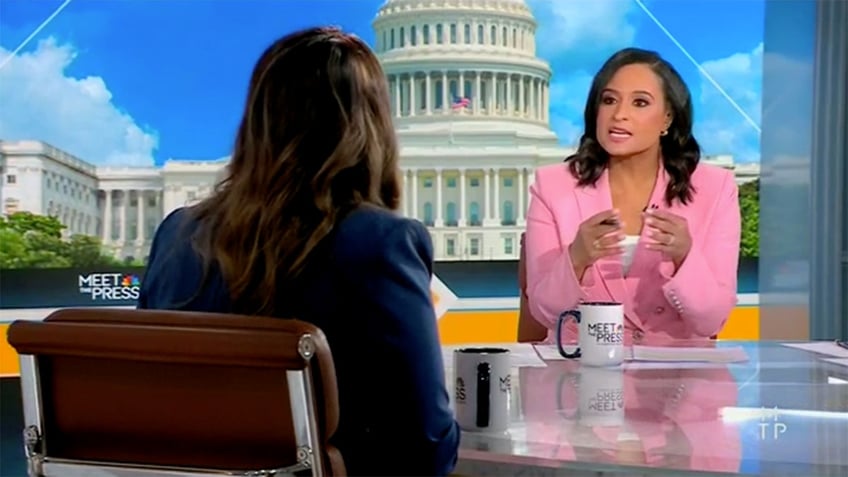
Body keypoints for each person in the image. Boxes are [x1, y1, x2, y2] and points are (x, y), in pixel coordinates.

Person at [137, 27, 460, 476]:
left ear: (257, 121)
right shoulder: (382, 243)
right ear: (373, 126)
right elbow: (425, 449)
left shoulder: (177, 235)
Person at [524, 47, 741, 345]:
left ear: (667, 118)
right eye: (609, 100)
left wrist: (684, 257)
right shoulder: (552, 186)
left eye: (640, 102)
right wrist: (576, 258)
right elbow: (544, 313)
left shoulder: (715, 188)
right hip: (581, 371)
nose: (619, 115)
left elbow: (711, 320)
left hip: (678, 375)